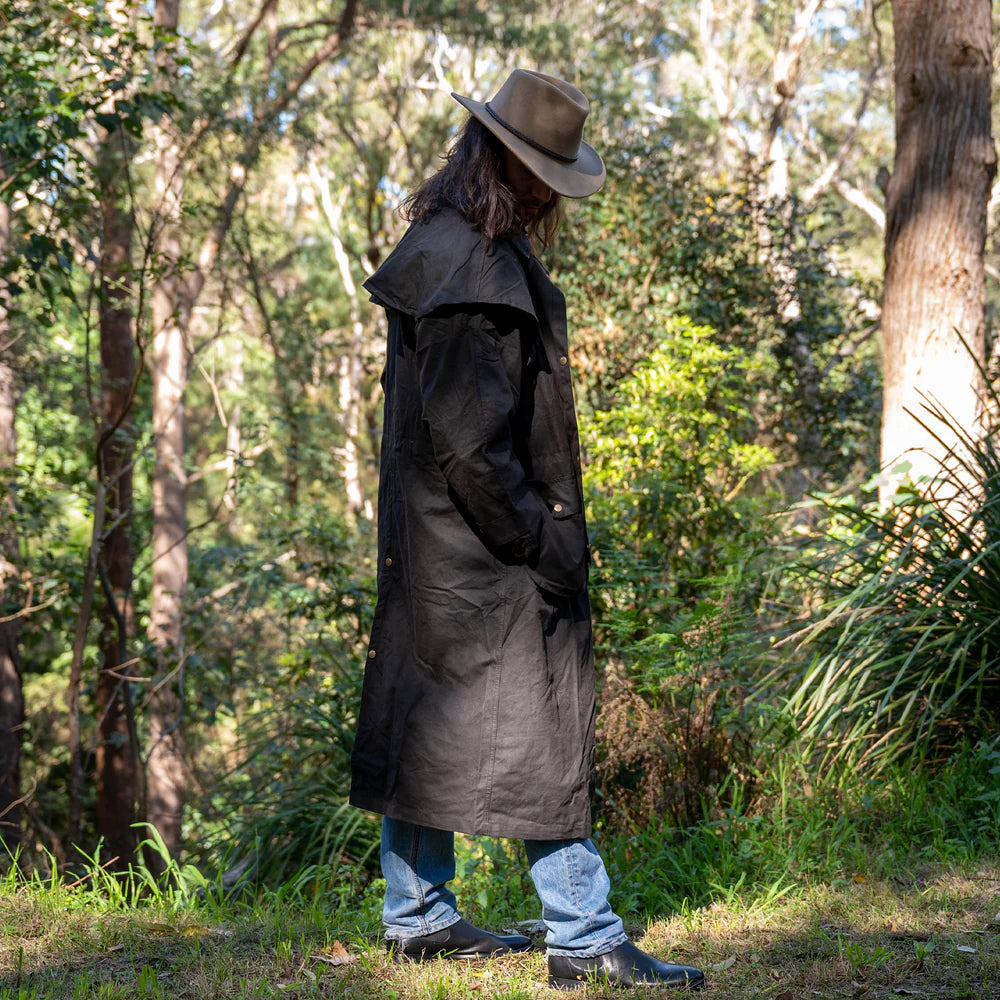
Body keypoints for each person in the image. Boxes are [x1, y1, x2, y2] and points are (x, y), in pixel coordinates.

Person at [349, 68, 705, 992]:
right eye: (542, 170)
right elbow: (469, 440)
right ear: (503, 161)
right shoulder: (474, 269)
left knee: (428, 715)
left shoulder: (445, 242)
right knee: (545, 723)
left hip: (436, 546)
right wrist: (539, 542)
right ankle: (583, 933)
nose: (552, 191)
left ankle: (418, 914)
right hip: (483, 546)